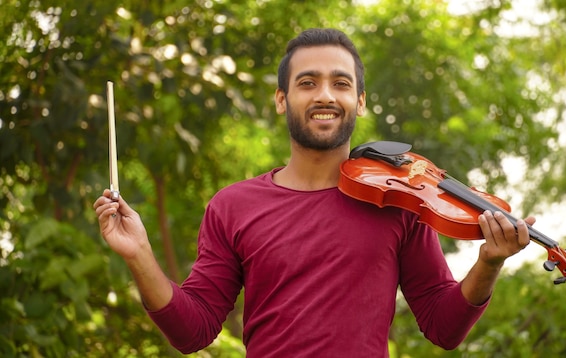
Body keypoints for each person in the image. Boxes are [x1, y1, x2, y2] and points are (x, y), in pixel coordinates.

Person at [93, 28, 534, 357]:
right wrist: (139, 254)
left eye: (341, 83)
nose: (325, 95)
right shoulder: (232, 206)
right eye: (308, 83)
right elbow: (193, 332)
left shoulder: (400, 204)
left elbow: (443, 327)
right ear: (282, 99)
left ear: (360, 101)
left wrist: (488, 264)